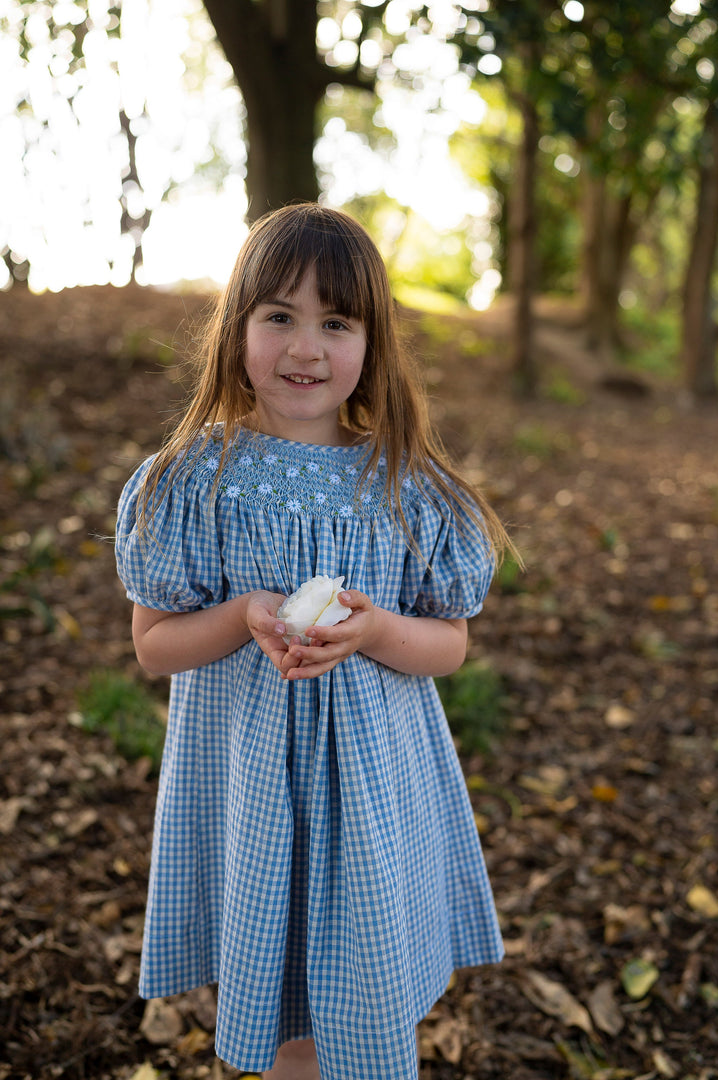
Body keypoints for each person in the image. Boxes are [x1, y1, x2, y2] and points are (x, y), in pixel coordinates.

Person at [115, 203, 513, 1080]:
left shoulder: (410, 487)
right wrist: (243, 612)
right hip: (253, 789)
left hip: (372, 796)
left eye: (336, 322)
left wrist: (375, 631)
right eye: (279, 317)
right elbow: (154, 646)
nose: (306, 348)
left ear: (373, 343)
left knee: (368, 1004)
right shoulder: (195, 481)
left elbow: (450, 645)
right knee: (288, 1013)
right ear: (237, 330)